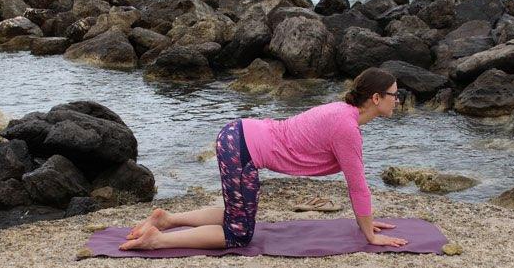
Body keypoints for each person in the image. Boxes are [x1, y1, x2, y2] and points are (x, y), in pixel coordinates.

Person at [120, 67, 408, 251]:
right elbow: (357, 185)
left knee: (239, 214)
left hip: (239, 135)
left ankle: (168, 218)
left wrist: (365, 223)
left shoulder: (341, 111)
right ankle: (158, 240)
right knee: (238, 235)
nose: (398, 100)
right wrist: (369, 235)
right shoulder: (347, 127)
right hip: (242, 148)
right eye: (395, 95)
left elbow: (355, 183)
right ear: (375, 98)